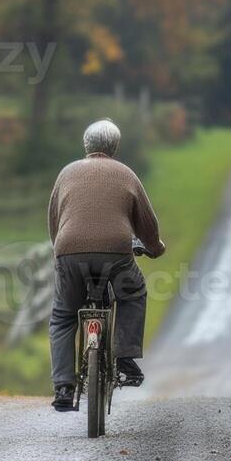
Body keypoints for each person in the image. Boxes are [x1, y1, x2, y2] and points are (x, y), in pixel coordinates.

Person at [46, 119, 166, 412]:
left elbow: (54, 219)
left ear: (86, 145)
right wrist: (154, 248)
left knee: (63, 315)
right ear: (114, 147)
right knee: (133, 292)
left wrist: (61, 251)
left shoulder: (66, 173)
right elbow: (147, 224)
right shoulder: (126, 174)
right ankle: (125, 355)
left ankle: (63, 386)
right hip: (116, 253)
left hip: (69, 252)